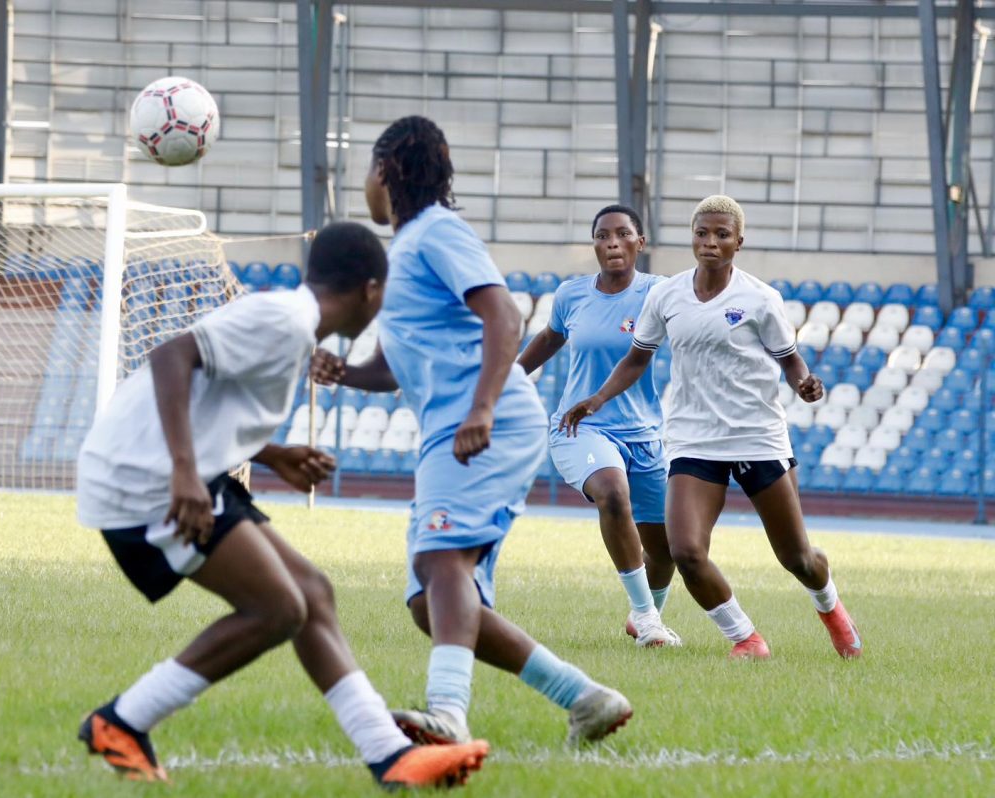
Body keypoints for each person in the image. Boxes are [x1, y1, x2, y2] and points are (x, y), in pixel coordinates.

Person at [75, 221, 489, 789]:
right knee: (276, 609)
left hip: (172, 468)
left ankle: (391, 755)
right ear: (371, 289)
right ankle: (121, 721)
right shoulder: (286, 321)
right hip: (144, 479)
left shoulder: (294, 326)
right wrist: (184, 473)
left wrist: (274, 455)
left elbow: (212, 400)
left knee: (312, 593)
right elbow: (173, 357)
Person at [311, 115, 632, 747]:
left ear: (386, 170)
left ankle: (448, 714)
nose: (365, 183)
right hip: (449, 428)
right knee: (428, 603)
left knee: (441, 563)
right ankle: (585, 698)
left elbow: (503, 315)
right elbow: (396, 367)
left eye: (368, 170)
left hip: (484, 422)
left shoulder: (437, 231)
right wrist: (344, 372)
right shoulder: (404, 251)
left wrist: (482, 408)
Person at [561, 195, 862, 661]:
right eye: (702, 233)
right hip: (693, 440)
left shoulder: (761, 299)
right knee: (685, 551)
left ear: (739, 242)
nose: (710, 242)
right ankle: (747, 639)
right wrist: (597, 399)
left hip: (757, 438)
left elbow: (790, 361)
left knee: (797, 558)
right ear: (692, 238)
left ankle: (832, 609)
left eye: (722, 234)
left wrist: (804, 383)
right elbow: (637, 359)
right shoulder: (667, 295)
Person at [517, 204, 679, 649]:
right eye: (602, 235)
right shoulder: (571, 295)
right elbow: (548, 339)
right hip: (580, 426)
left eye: (622, 234)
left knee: (667, 550)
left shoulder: (659, 292)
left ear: (640, 242)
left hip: (643, 434)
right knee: (611, 491)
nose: (612, 243)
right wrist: (507, 379)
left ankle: (645, 616)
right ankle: (647, 617)